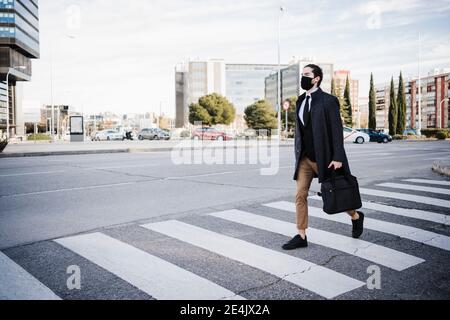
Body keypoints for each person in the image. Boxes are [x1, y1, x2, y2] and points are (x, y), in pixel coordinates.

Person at [282, 64, 365, 250]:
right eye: (302, 74)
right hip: (304, 158)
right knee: (300, 195)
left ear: (316, 78)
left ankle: (355, 216)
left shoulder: (328, 100)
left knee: (335, 193)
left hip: (325, 157)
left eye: (306, 75)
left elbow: (336, 131)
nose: (303, 78)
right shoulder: (300, 100)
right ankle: (301, 235)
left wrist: (337, 156)